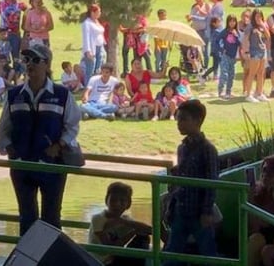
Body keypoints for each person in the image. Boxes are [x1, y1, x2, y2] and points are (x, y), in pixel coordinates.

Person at [0, 42, 81, 236]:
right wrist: (11, 150)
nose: (30, 64)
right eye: (26, 60)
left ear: (47, 64)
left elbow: (72, 126)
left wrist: (59, 145)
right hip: (22, 166)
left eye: (36, 60)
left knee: (51, 218)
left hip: (52, 166)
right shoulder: (13, 94)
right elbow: (3, 129)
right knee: (27, 217)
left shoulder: (63, 95)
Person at [162, 101, 219, 264]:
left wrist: (207, 211)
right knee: (173, 251)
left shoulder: (208, 149)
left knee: (207, 251)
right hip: (182, 207)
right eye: (178, 119)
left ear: (198, 120)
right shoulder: (182, 148)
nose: (179, 124)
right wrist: (171, 204)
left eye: (184, 119)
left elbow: (212, 181)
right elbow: (180, 180)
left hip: (198, 210)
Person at [88, 182, 152, 266]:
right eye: (113, 200)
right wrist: (133, 232)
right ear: (106, 200)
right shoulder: (98, 218)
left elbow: (151, 230)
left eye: (122, 201)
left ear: (128, 204)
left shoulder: (125, 220)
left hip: (115, 259)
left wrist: (123, 222)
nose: (117, 204)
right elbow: (109, 248)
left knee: (142, 237)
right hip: (102, 262)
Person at [81, 3, 106, 85]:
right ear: (92, 12)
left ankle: (96, 87)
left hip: (100, 47)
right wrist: (88, 51)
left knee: (98, 68)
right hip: (92, 48)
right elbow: (86, 37)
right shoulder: (87, 23)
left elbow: (101, 33)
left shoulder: (97, 21)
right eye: (98, 12)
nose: (100, 13)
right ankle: (88, 88)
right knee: (90, 69)